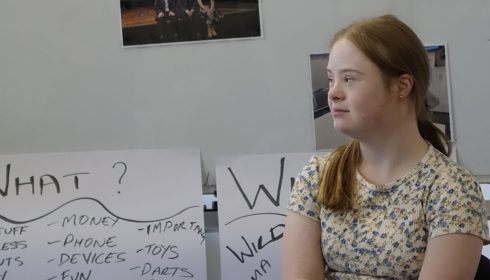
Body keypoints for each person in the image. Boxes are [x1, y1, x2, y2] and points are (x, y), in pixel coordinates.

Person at [283, 14, 489, 280]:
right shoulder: (318, 176)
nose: (332, 93)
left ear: (402, 86)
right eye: (331, 79)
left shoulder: (451, 188)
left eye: (349, 79)